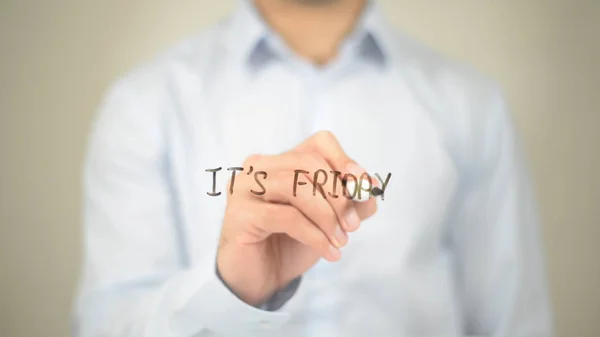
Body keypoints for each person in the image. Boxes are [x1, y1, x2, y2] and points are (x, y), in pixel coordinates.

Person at [72, 0, 553, 336]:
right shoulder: (143, 105)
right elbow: (108, 328)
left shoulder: (472, 105)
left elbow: (513, 324)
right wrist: (228, 288)